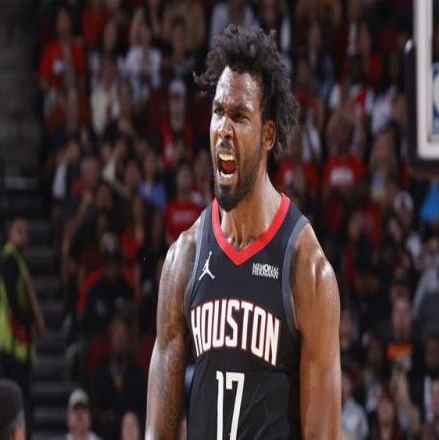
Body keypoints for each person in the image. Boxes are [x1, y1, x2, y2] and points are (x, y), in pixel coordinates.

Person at [146, 25, 341, 438]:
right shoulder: (184, 258)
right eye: (218, 112)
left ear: (268, 135)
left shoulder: (307, 270)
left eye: (239, 116)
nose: (223, 129)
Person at [0, 219, 45, 436]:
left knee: (20, 400)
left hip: (18, 343)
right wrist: (29, 324)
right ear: (9, 234)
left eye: (26, 230)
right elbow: (14, 303)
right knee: (19, 401)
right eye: (19, 230)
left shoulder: (17, 260)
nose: (24, 234)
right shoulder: (10, 260)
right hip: (13, 343)